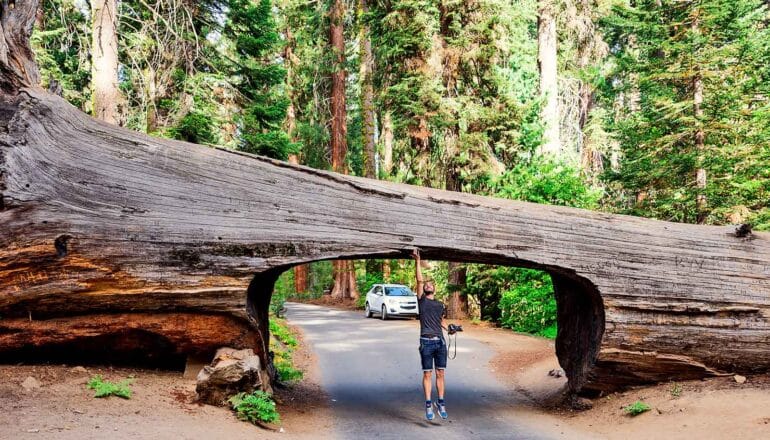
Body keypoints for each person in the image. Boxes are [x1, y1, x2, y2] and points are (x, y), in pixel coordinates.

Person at [412, 248, 448, 421]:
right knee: (427, 374)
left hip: (440, 343)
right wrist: (417, 261)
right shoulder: (422, 301)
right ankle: (428, 404)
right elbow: (419, 280)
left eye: (429, 284)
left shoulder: (440, 304)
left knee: (440, 373)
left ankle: (440, 402)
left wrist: (451, 329)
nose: (426, 285)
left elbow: (441, 322)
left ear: (434, 288)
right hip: (426, 342)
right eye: (425, 284)